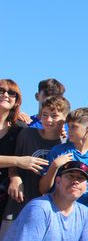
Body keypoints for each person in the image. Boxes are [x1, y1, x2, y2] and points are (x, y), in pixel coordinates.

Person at [3, 95, 70, 229]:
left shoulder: (66, 145)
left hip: (47, 210)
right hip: (18, 203)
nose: (48, 120)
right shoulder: (27, 134)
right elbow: (14, 162)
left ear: (65, 119)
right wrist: (15, 178)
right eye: (45, 114)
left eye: (54, 115)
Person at [41, 108, 88, 218]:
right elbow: (43, 189)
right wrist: (54, 166)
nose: (69, 130)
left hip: (83, 216)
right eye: (68, 126)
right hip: (56, 214)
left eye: (74, 127)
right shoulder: (57, 151)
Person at [0, 79, 27, 219]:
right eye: (1, 91)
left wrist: (15, 176)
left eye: (11, 93)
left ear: (16, 100)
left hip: (5, 197)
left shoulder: (20, 129)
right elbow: (21, 159)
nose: (5, 95)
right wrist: (18, 161)